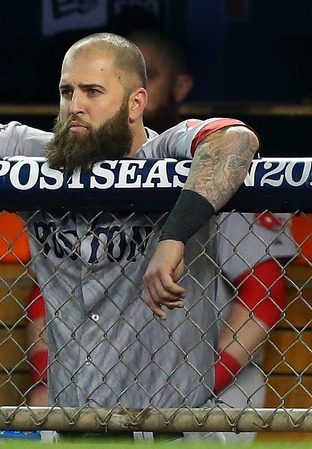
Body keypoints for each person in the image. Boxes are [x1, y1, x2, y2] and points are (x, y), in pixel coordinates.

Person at [0, 32, 260, 440]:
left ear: (136, 102)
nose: (75, 106)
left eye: (93, 92)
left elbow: (235, 138)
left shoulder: (166, 154)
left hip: (174, 430)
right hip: (71, 427)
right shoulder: (39, 154)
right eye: (67, 91)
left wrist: (174, 236)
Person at [127, 29, 298, 443]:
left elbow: (264, 292)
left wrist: (198, 385)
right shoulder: (91, 172)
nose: (139, 92)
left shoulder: (222, 168)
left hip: (214, 386)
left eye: (149, 75)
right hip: (120, 381)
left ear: (181, 85)